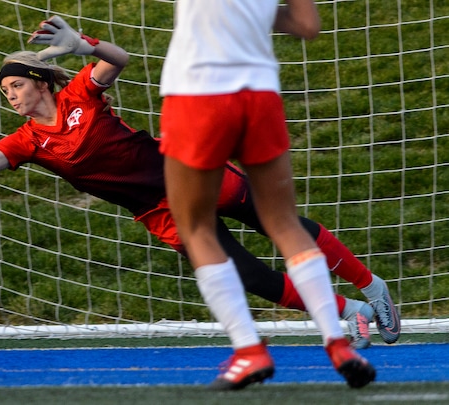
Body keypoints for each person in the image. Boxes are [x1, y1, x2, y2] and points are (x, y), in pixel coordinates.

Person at [0, 14, 392, 385]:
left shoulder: (78, 95)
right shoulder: (27, 143)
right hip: (160, 212)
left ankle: (372, 284)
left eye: (14, 85)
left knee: (278, 221)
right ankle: (351, 312)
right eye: (5, 92)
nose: (10, 95)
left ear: (38, 82)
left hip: (187, 171)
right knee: (249, 275)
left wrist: (84, 46)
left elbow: (120, 58)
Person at [159, 0, 376, 390]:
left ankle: (249, 351)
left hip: (198, 91)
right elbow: (307, 25)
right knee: (284, 222)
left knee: (196, 228)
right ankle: (338, 344)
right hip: (259, 93)